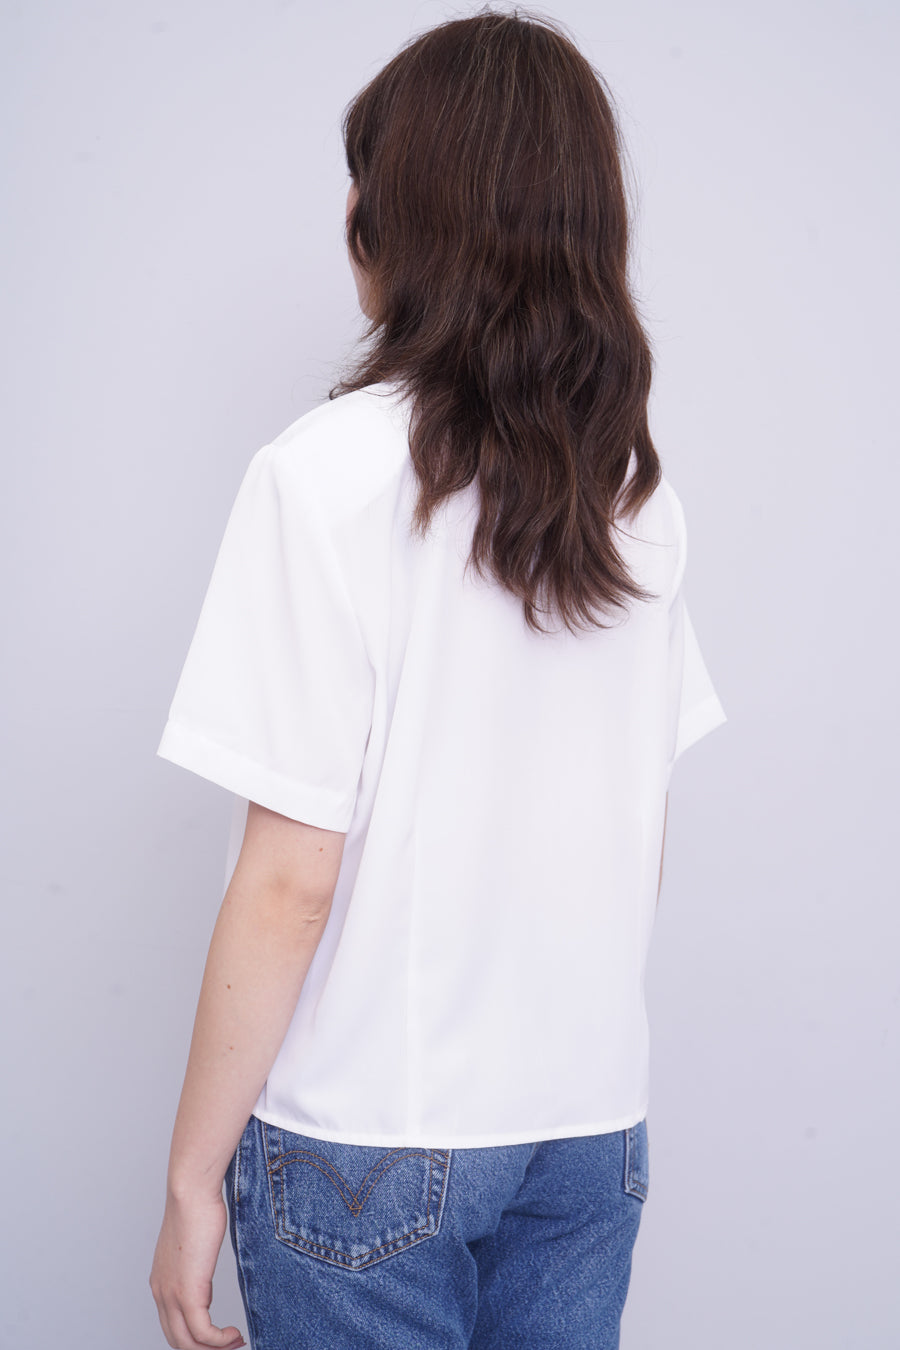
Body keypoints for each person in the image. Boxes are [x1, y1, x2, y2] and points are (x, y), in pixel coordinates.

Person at [148, 10, 727, 1349]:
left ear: (403, 214)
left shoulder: (322, 476)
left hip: (370, 1136)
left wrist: (189, 1178)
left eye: (364, 175)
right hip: (587, 1132)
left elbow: (290, 879)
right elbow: (636, 832)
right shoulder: (634, 496)